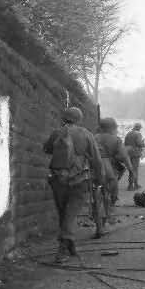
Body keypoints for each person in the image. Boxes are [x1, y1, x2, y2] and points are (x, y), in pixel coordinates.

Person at [43, 107, 104, 261]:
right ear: (79, 119)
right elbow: (97, 160)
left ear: (64, 118)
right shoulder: (86, 134)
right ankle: (63, 247)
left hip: (57, 179)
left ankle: (70, 245)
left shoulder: (57, 132)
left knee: (63, 212)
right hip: (79, 180)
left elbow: (47, 149)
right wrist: (100, 178)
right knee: (71, 214)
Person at [95, 117, 131, 207]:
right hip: (108, 166)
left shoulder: (94, 137)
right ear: (112, 128)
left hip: (94, 165)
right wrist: (131, 169)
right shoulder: (116, 139)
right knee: (113, 180)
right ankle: (113, 199)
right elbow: (123, 156)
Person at [123, 122, 145, 190]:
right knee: (135, 169)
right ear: (138, 128)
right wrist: (143, 143)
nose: (140, 129)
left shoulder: (128, 133)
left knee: (131, 169)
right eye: (140, 128)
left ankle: (132, 184)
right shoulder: (138, 134)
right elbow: (139, 143)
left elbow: (125, 143)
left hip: (128, 153)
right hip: (135, 154)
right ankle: (133, 185)